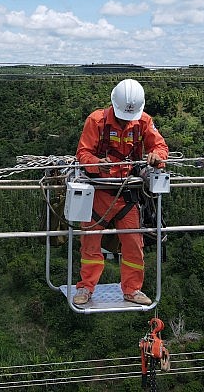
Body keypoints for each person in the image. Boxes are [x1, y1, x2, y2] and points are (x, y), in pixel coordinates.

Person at [72, 79, 169, 306]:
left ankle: (132, 290)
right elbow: (83, 154)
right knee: (90, 242)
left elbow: (160, 146)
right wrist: (97, 163)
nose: (127, 120)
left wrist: (157, 157)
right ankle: (86, 288)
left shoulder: (143, 121)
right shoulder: (96, 121)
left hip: (127, 194)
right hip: (99, 192)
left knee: (134, 243)